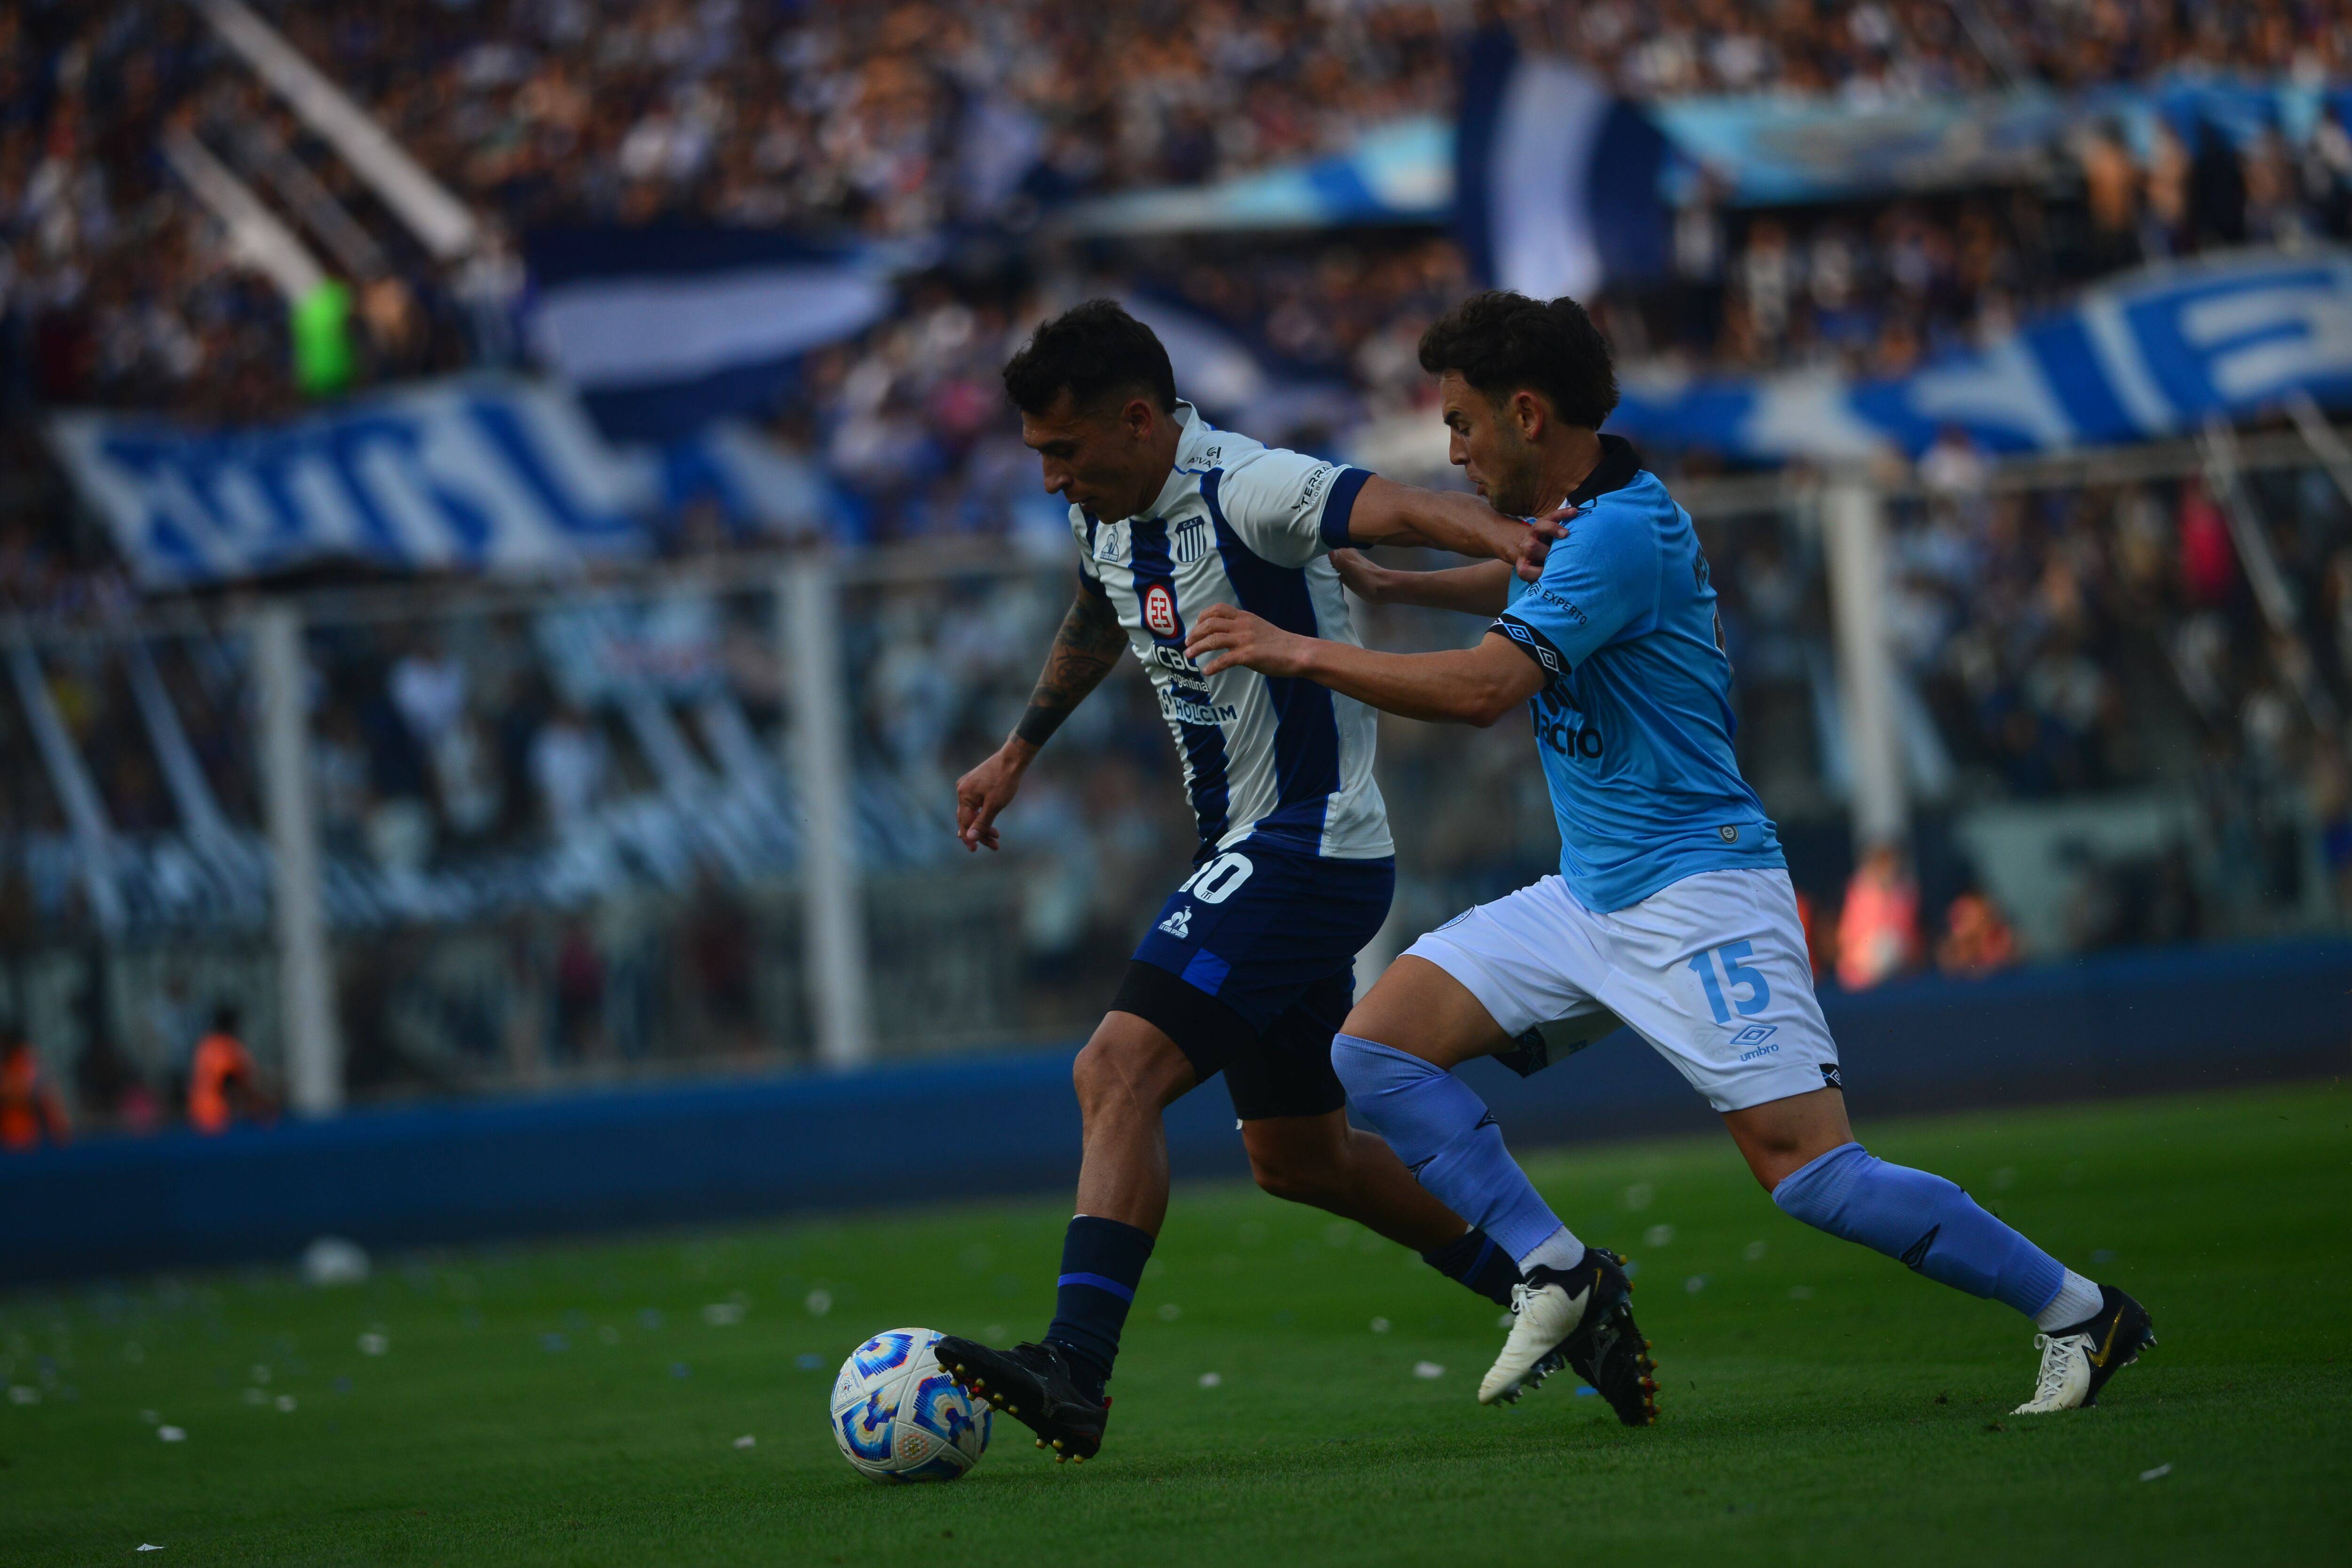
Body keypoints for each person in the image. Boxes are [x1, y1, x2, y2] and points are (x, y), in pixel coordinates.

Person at [1184, 290, 2153, 1420]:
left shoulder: (1622, 531)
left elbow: (1489, 690)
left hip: (1700, 893)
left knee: (1812, 1175)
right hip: (1590, 898)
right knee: (1374, 1054)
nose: (1451, 450)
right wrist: (1405, 588)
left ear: (1528, 414)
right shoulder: (1585, 521)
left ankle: (2081, 1312)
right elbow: (1527, 576)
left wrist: (1293, 651)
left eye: (1461, 424)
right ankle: (1556, 1269)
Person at [935, 299, 1627, 1464]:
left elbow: (1383, 501)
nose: (1052, 478)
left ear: (1141, 421)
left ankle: (1075, 1370)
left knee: (1113, 1069)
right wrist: (1019, 750)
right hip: (1258, 856)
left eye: (1063, 451)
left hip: (1306, 845)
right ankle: (1555, 1284)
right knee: (1298, 1158)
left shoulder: (1240, 485)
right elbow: (1101, 611)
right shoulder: (1112, 514)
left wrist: (1500, 538)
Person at [188, 1005, 272, 1134]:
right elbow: (229, 1083)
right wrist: (256, 1109)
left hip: (198, 1114)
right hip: (220, 1118)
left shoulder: (205, 1045)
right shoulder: (225, 1046)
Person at [1, 1024, 71, 1150]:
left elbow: (38, 1094)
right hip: (8, 1143)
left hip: (31, 1142)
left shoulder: (27, 1061)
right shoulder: (7, 1064)